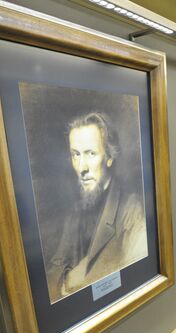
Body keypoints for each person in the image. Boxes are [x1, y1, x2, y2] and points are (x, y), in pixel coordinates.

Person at [49, 112, 147, 300]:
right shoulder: (75, 211)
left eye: (91, 154)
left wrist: (79, 277)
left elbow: (139, 275)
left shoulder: (131, 208)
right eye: (75, 155)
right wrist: (67, 281)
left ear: (109, 157)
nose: (81, 168)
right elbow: (54, 269)